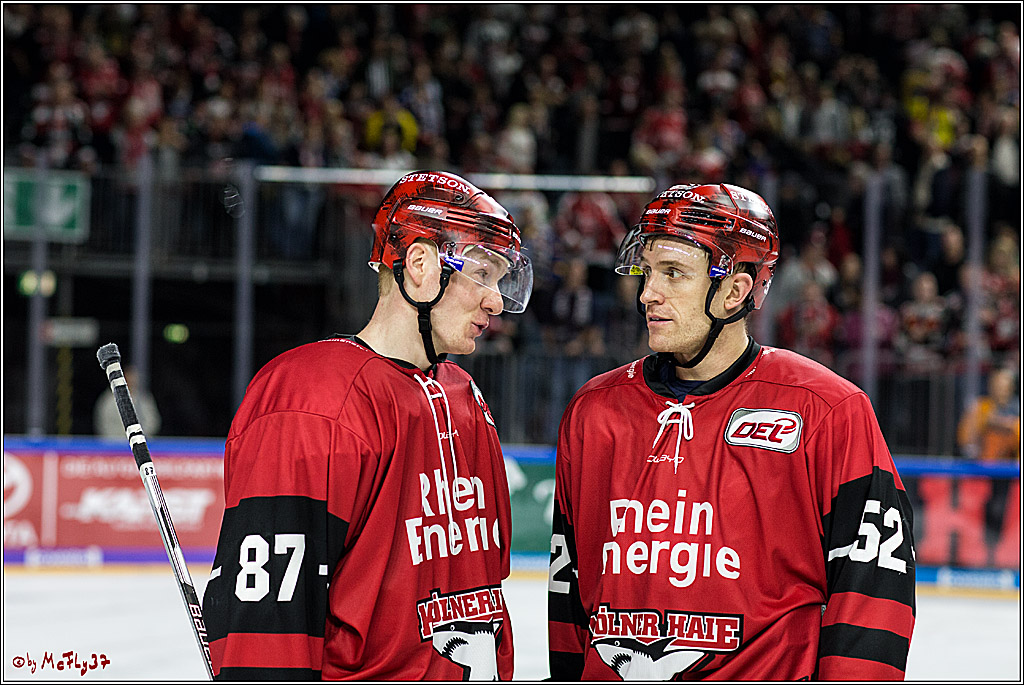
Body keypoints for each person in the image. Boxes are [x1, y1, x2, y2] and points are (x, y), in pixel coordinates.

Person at [547, 183, 916, 680]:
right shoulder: (594, 411)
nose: (648, 293)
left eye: (674, 273)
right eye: (647, 271)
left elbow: (875, 588)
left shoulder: (827, 410)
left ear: (735, 291)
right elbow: (567, 588)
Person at [202, 171, 534, 679]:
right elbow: (266, 627)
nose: (495, 300)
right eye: (483, 275)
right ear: (421, 264)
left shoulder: (465, 397)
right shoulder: (310, 398)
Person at [957, 366, 1020, 461]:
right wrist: (984, 421)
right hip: (984, 464)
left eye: (1003, 386)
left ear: (1011, 387)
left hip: (1013, 466)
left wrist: (1006, 424)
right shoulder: (980, 407)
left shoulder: (1017, 407)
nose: (999, 390)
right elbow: (965, 440)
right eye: (996, 385)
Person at [94, 365, 161, 438]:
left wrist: (138, 438)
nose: (131, 380)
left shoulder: (143, 399)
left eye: (133, 377)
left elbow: (152, 421)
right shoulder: (108, 400)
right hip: (114, 444)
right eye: (128, 377)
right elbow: (103, 423)